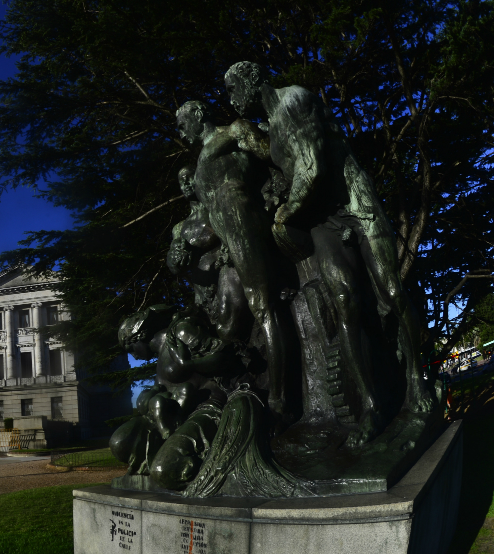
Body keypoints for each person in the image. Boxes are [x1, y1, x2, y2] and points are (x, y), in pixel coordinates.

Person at [224, 61, 434, 445]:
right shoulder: (272, 128)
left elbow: (313, 168)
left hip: (355, 203)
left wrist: (284, 213)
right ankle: (372, 406)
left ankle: (418, 382)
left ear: (252, 81)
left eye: (234, 90)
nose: (233, 101)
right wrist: (245, 140)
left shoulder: (293, 100)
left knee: (391, 291)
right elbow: (277, 153)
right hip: (322, 220)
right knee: (344, 301)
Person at [176, 100, 295, 425]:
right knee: (237, 319)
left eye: (182, 121)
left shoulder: (232, 132)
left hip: (240, 217)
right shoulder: (204, 154)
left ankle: (281, 399)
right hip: (227, 232)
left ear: (198, 114)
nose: (180, 129)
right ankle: (254, 387)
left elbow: (272, 153)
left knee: (264, 306)